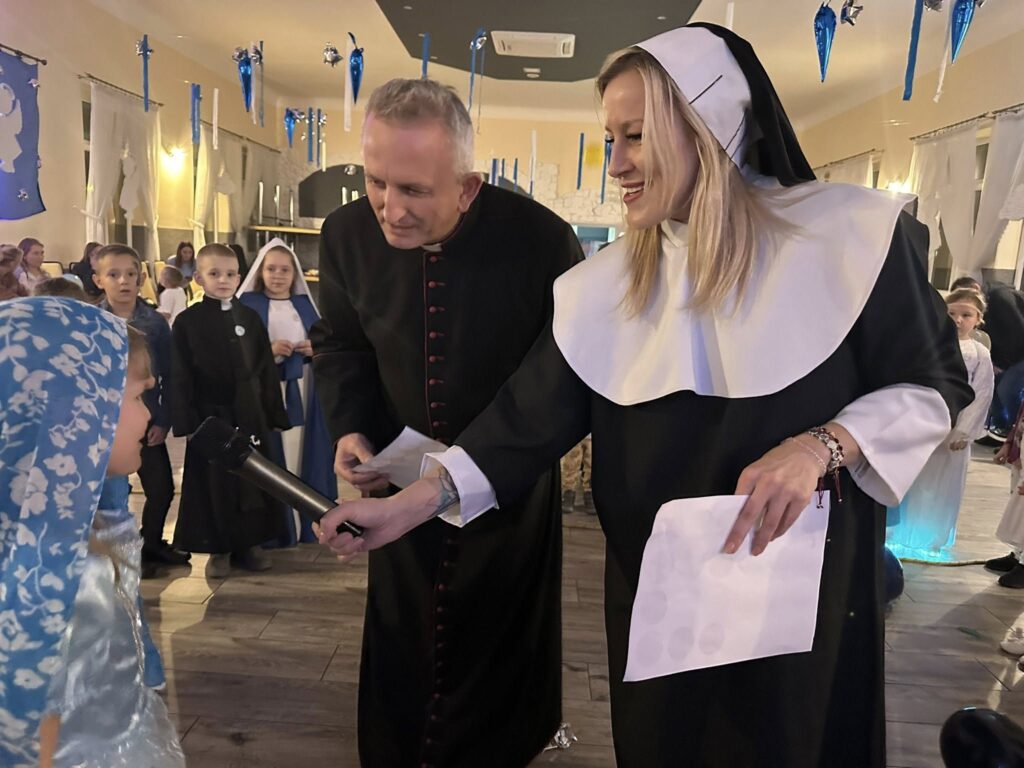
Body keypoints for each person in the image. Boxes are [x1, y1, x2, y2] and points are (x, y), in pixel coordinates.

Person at [319, 25, 973, 767]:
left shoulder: (852, 236)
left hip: (801, 604)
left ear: (710, 128)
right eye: (611, 138)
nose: (617, 164)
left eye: (637, 136)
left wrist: (820, 446)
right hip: (658, 597)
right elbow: (519, 426)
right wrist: (402, 509)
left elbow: (935, 385)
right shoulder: (601, 287)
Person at [310, 78, 582, 767]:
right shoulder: (345, 234)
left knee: (498, 649)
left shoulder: (543, 242)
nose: (389, 209)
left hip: (507, 487)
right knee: (405, 646)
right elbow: (342, 344)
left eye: (414, 190)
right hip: (397, 484)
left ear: (467, 188)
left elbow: (560, 381)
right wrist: (351, 428)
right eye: (376, 182)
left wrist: (473, 470)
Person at [0, 297, 185, 768]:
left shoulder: (61, 539)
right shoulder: (57, 579)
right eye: (137, 397)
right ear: (71, 411)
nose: (147, 415)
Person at [170, 243, 290, 578]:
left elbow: (265, 369)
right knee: (215, 483)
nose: (223, 280)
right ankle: (218, 548)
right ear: (198, 278)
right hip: (211, 415)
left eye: (230, 274)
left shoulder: (250, 318)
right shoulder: (187, 322)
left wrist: (273, 413)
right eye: (214, 274)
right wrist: (187, 421)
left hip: (250, 413)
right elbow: (180, 373)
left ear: (239, 277)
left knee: (253, 479)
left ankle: (249, 544)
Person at [93, 244, 189, 574]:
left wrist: (163, 419)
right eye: (113, 274)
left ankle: (151, 544)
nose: (123, 281)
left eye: (130, 274)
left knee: (161, 488)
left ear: (141, 278)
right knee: (112, 495)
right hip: (104, 424)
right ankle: (119, 556)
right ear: (98, 280)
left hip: (144, 420)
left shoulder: (155, 324)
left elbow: (169, 374)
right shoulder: (91, 322)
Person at [239, 238, 334, 546]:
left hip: (303, 389)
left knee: (303, 453)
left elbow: (326, 345)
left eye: (284, 270)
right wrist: (267, 351)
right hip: (266, 392)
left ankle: (306, 524)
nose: (278, 276)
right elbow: (237, 351)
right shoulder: (248, 305)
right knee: (273, 455)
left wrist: (314, 348)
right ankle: (278, 528)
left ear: (295, 274)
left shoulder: (305, 306)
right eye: (271, 269)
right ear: (261, 272)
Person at [887, 289, 994, 558]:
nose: (958, 320)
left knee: (941, 488)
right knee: (914, 483)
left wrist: (964, 431)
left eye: (966, 315)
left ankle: (931, 538)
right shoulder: (929, 345)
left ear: (978, 319)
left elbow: (982, 393)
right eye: (952, 313)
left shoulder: (979, 354)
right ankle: (901, 534)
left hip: (954, 434)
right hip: (923, 427)